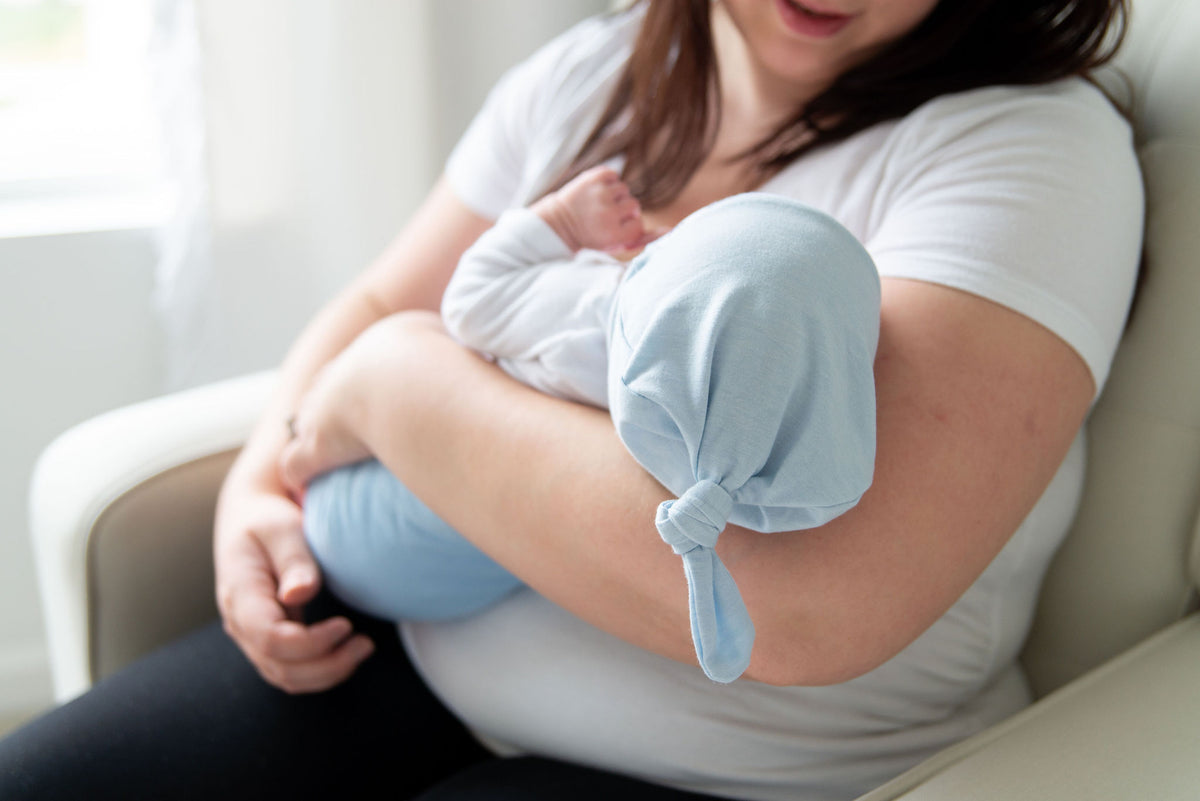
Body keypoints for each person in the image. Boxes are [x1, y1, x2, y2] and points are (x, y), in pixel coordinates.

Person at [0, 0, 1143, 799]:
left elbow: (803, 613)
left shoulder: (1028, 151)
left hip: (740, 770)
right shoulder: (591, 74)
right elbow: (377, 301)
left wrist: (398, 388)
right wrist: (262, 481)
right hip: (415, 654)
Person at [303, 164, 880, 683]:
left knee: (423, 336)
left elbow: (469, 297)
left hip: (366, 522)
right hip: (425, 537)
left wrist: (559, 224)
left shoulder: (587, 314)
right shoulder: (707, 451)